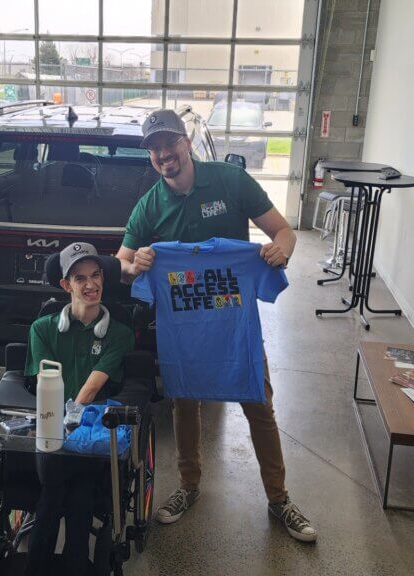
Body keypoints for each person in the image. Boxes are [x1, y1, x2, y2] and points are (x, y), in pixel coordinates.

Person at [115, 109, 317, 543]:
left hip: (234, 326)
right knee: (184, 404)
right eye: (154, 148)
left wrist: (280, 251)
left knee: (258, 404)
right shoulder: (149, 205)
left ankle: (279, 499)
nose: (163, 154)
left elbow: (284, 231)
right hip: (184, 331)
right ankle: (188, 487)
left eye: (169, 143)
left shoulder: (229, 181)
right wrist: (137, 263)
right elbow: (122, 264)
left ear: (186, 142)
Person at [24, 242, 135, 575]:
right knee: (55, 493)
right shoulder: (42, 329)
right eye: (80, 278)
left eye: (96, 275)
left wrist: (70, 423)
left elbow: (92, 387)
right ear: (65, 285)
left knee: (77, 498)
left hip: (87, 436)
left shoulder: (119, 334)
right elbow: (44, 384)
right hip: (52, 433)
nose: (91, 285)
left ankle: (73, 565)